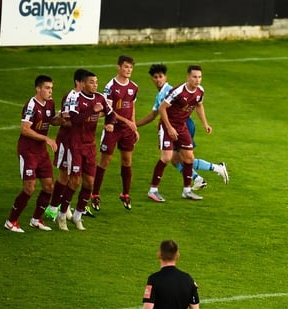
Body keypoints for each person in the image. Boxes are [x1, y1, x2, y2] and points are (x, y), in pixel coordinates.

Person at [137, 64, 228, 194]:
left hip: (184, 125)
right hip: (176, 125)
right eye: (155, 77)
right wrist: (133, 124)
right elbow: (153, 115)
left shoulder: (173, 91)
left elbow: (197, 105)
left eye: (160, 76)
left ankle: (213, 169)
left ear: (165, 77)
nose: (158, 80)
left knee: (180, 157)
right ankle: (198, 179)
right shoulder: (163, 94)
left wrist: (205, 124)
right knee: (176, 159)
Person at [55, 70, 116, 231]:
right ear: (83, 84)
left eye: (96, 82)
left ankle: (78, 216)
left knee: (89, 182)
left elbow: (111, 114)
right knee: (74, 181)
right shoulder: (75, 98)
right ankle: (62, 215)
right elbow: (74, 120)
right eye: (91, 82)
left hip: (90, 146)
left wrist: (110, 123)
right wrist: (92, 110)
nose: (95, 85)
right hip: (75, 145)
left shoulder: (100, 98)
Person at [4, 75, 64, 233]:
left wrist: (61, 118)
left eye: (51, 88)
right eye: (47, 88)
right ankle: (11, 221)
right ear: (38, 89)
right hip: (28, 151)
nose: (50, 91)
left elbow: (51, 120)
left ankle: (36, 219)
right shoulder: (31, 105)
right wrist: (46, 138)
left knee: (48, 186)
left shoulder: (50, 103)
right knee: (29, 188)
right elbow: (25, 129)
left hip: (41, 151)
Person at [92, 55, 139, 211]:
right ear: (119, 67)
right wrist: (127, 121)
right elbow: (109, 110)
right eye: (126, 67)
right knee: (105, 161)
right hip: (112, 128)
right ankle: (95, 194)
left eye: (131, 67)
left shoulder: (134, 87)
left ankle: (125, 193)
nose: (128, 70)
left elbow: (132, 106)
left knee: (127, 160)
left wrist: (133, 126)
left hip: (127, 130)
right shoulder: (110, 86)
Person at [46, 68, 88, 224]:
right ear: (78, 82)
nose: (89, 84)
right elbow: (66, 121)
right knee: (65, 175)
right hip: (67, 141)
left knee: (75, 177)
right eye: (86, 82)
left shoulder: (89, 97)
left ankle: (65, 206)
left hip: (80, 142)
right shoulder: (70, 97)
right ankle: (53, 207)